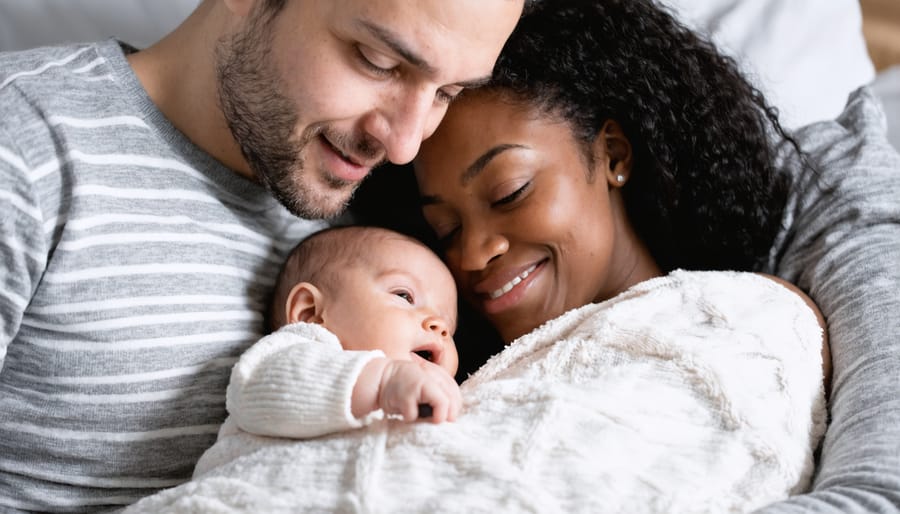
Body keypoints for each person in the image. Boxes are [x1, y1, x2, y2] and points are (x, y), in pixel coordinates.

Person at [121, 0, 836, 511]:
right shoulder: (432, 358)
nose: (475, 255)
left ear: (613, 153)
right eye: (445, 229)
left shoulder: (739, 323)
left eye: (510, 190)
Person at [0, 0, 525, 510]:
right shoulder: (21, 145)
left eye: (446, 93)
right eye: (378, 61)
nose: (404, 144)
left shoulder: (377, 214)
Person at [194, 225, 462, 473]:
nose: (438, 325)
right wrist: (383, 379)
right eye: (404, 296)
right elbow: (260, 390)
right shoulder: (289, 353)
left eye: (449, 326)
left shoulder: (429, 396)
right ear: (311, 313)